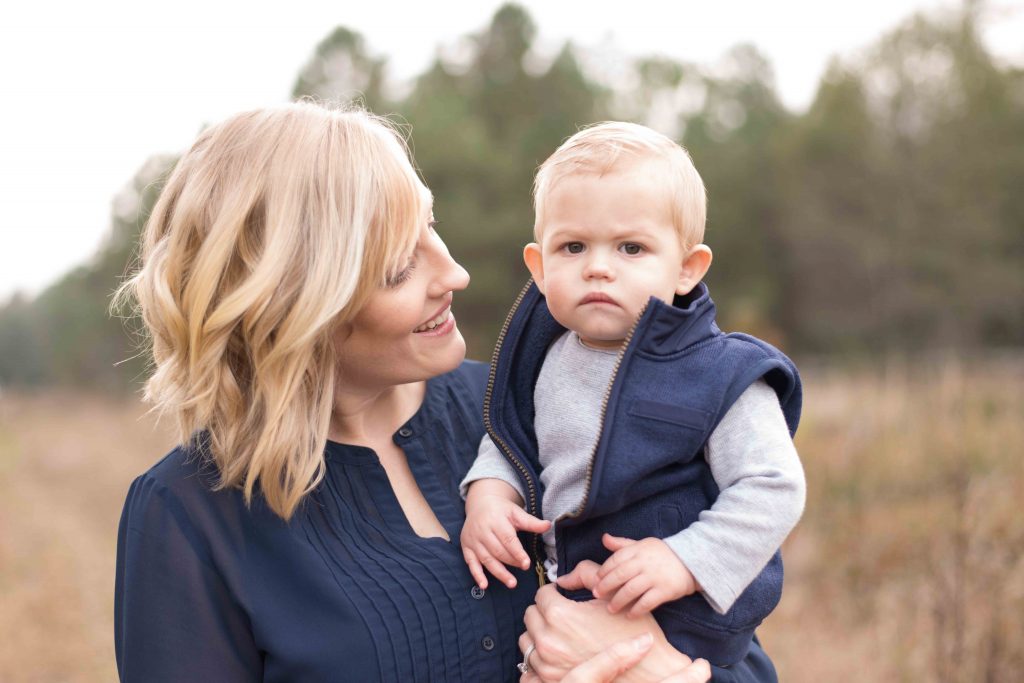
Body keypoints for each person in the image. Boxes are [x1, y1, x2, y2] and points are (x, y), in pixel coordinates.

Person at [112, 102, 712, 682]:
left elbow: (734, 645)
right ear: (292, 304)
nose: (454, 274)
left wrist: (660, 671)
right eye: (400, 265)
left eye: (431, 224)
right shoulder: (188, 517)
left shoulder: (527, 409)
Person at [459, 122, 806, 678]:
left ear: (687, 269)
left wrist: (684, 559)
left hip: (685, 613)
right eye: (573, 247)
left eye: (631, 247)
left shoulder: (720, 374)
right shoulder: (539, 358)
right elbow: (513, 442)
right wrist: (488, 495)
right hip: (572, 601)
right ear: (539, 267)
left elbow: (773, 487)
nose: (599, 266)